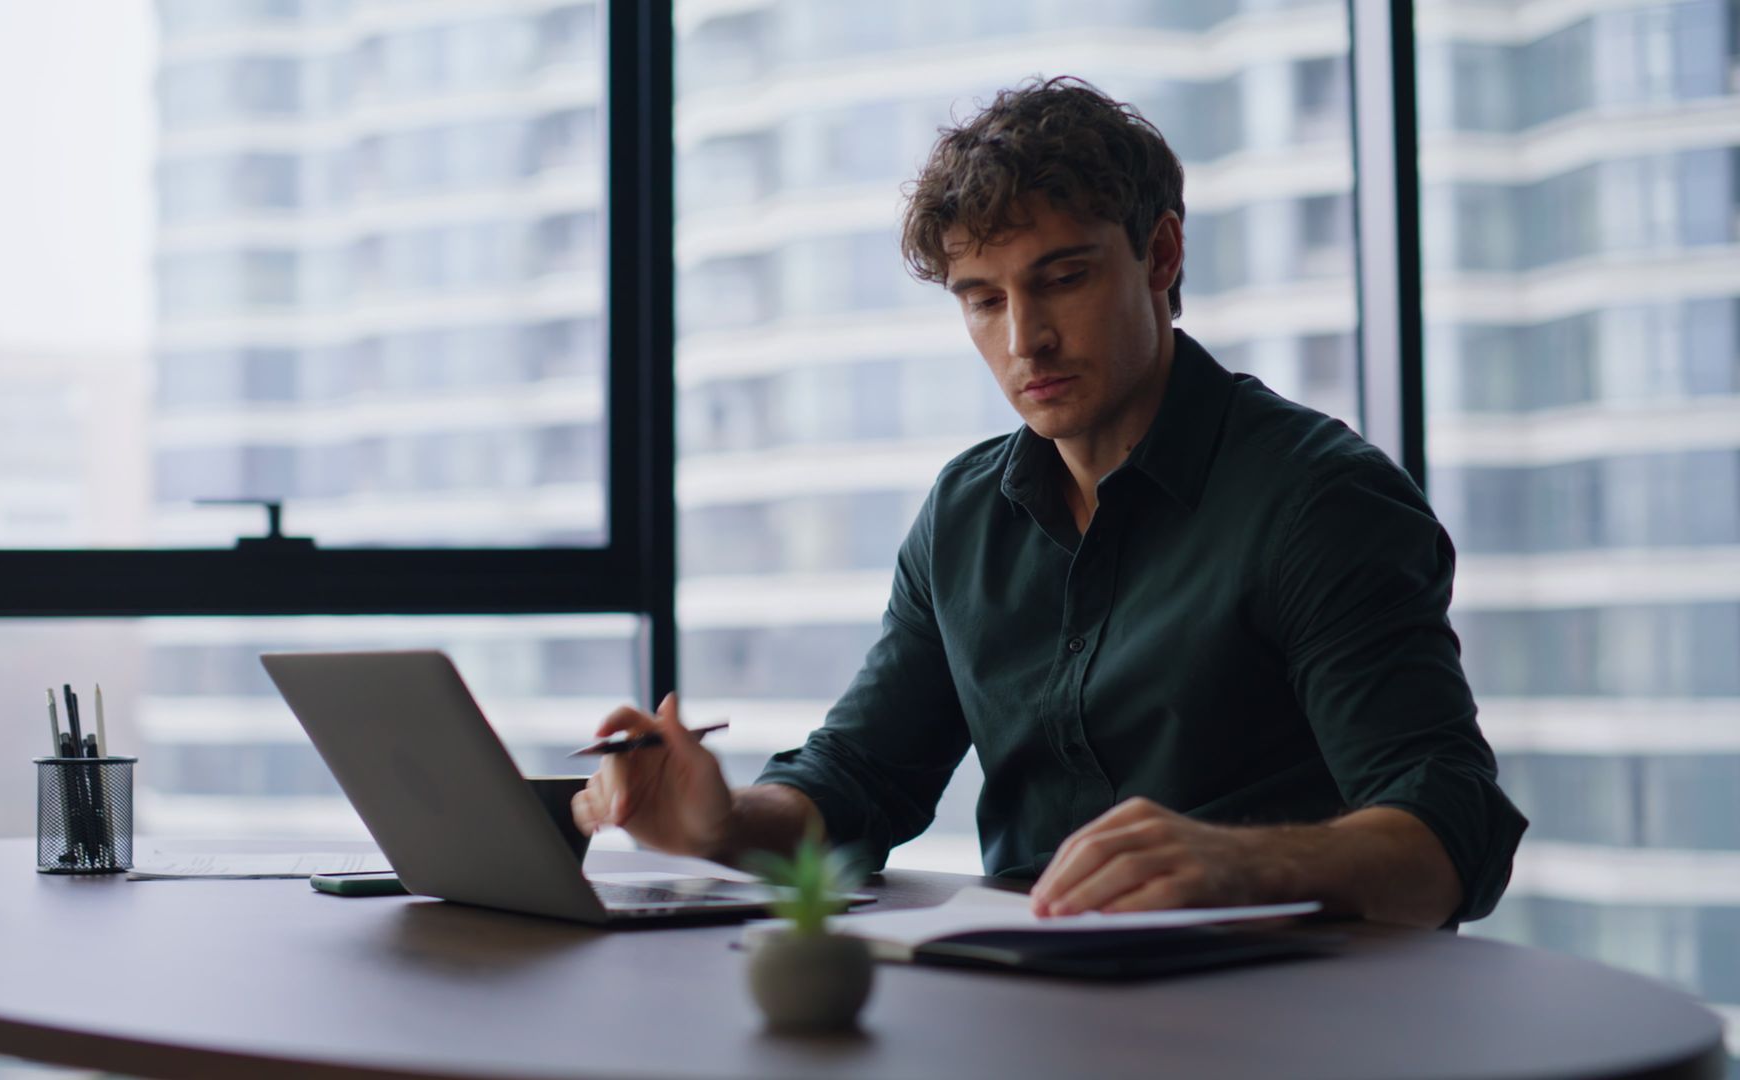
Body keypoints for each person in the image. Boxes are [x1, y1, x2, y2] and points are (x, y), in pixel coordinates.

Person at [571, 76, 1526, 929]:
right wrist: (723, 823)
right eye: (983, 300)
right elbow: (860, 778)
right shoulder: (964, 515)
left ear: (1160, 255)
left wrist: (1242, 863)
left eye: (1062, 278)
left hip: (1284, 1021)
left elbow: (1453, 832)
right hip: (1034, 1008)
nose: (1026, 338)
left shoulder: (1318, 499)